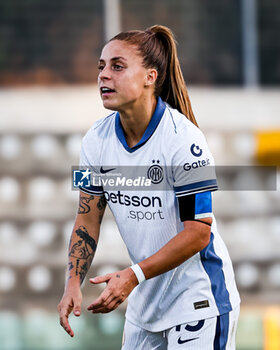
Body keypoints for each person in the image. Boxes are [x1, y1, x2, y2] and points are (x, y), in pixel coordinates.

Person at [58, 25, 240, 349]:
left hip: (199, 300)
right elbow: (86, 218)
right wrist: (73, 282)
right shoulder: (93, 143)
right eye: (101, 66)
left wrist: (132, 276)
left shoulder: (184, 140)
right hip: (145, 306)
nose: (103, 76)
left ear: (150, 77)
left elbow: (198, 232)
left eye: (117, 66)